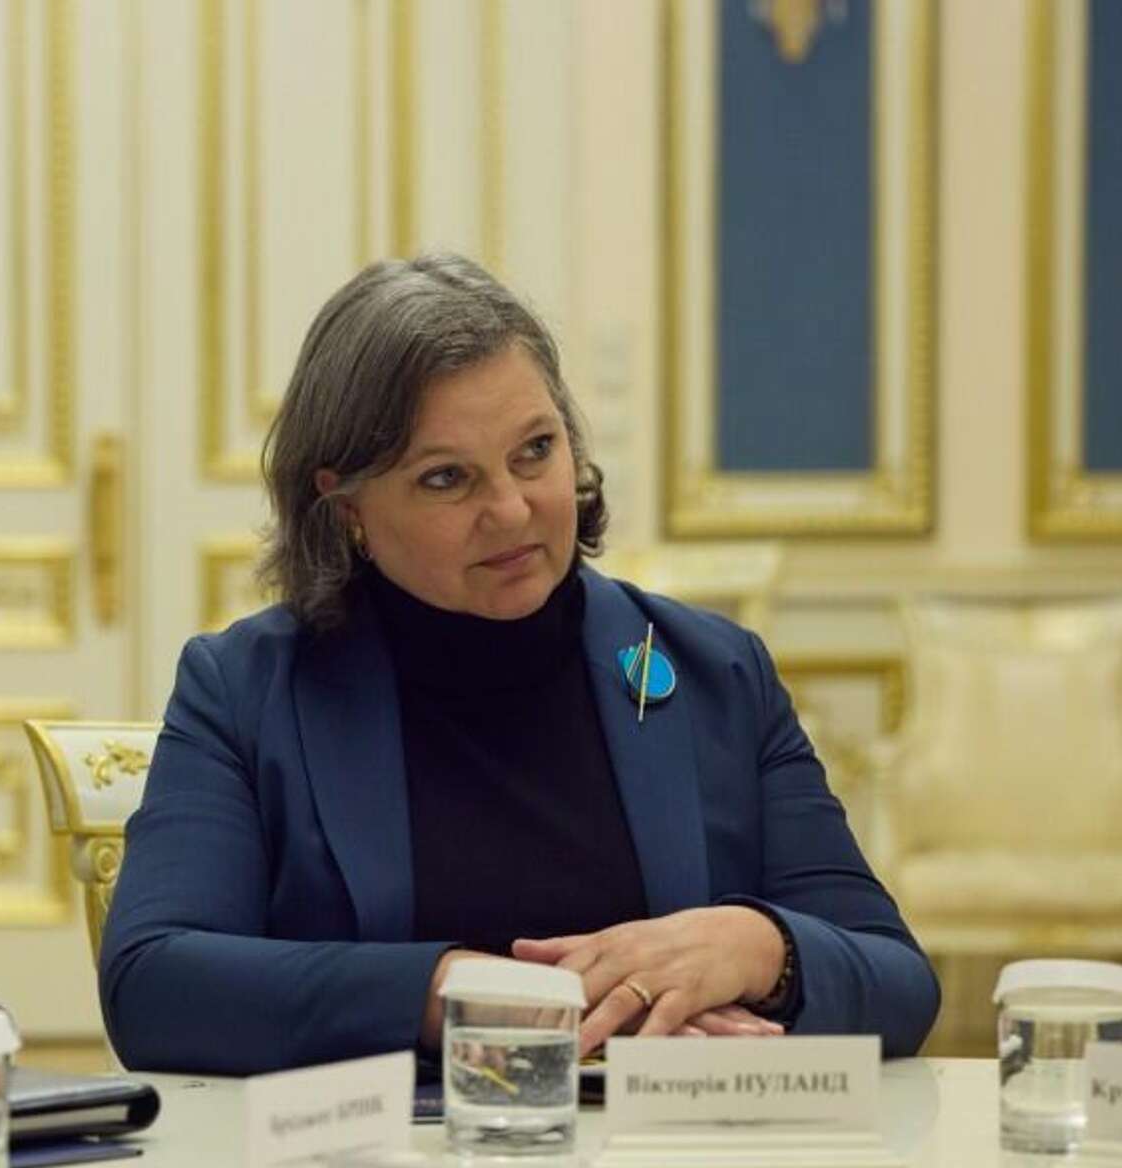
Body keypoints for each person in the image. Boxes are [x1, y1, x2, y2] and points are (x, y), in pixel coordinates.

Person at [98, 253, 938, 1075]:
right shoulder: (247, 691)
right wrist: (449, 992)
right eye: (446, 479)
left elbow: (898, 982)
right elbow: (153, 985)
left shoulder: (714, 672)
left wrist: (759, 947)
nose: (510, 510)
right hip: (391, 1141)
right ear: (347, 507)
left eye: (535, 450)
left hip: (661, 1140)